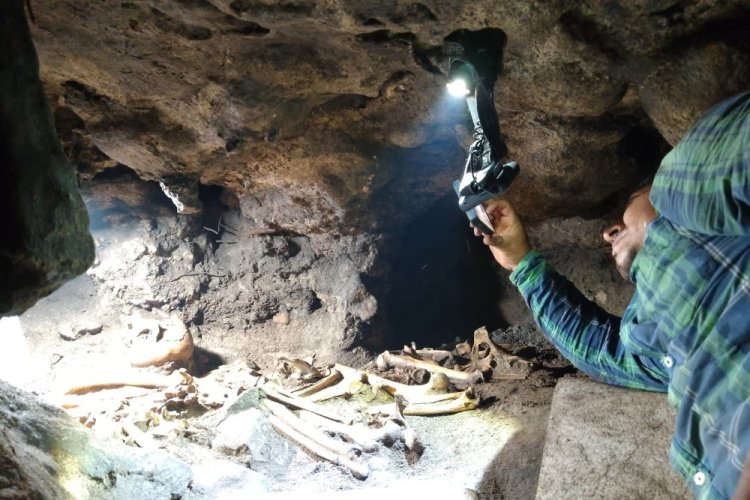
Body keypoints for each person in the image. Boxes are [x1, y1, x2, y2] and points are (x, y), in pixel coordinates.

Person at [475, 91, 750, 499]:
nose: (609, 231)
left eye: (627, 207)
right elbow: (599, 351)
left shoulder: (683, 191)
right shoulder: (653, 338)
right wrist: (521, 262)